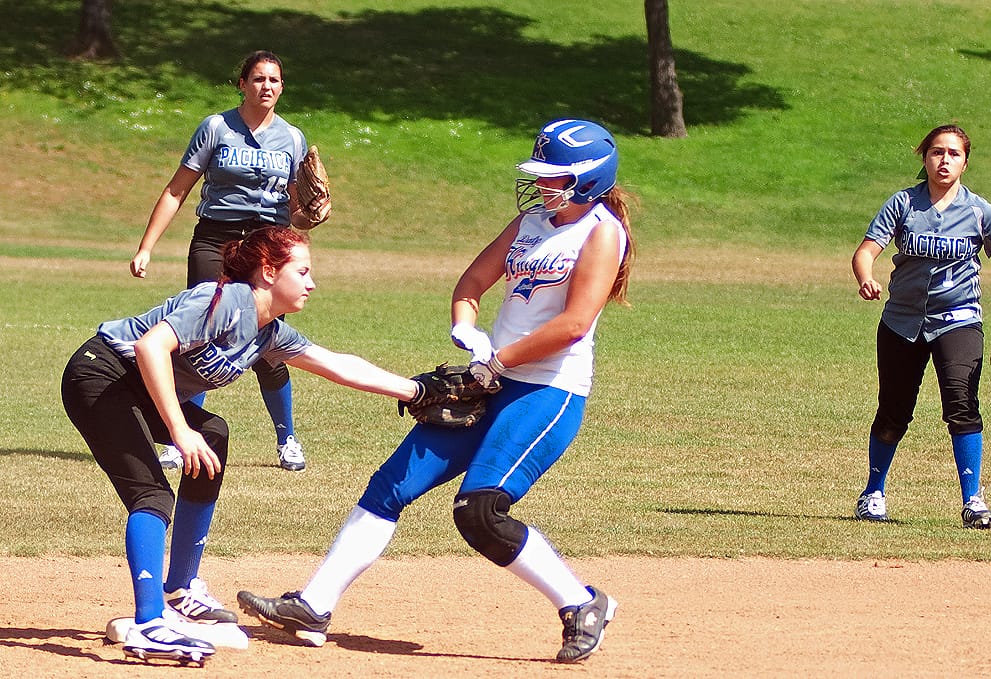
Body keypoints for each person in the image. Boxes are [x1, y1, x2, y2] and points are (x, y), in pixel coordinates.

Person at [237, 119, 636, 663]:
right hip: (491, 378)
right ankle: (314, 605)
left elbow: (572, 324)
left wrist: (497, 361)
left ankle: (582, 603)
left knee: (480, 511)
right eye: (540, 172)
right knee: (390, 484)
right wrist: (467, 327)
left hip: (548, 391)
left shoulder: (601, 231)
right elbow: (471, 283)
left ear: (589, 179)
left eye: (555, 175)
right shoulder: (531, 222)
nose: (543, 183)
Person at [62, 227, 432, 662]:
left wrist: (415, 391)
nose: (312, 283)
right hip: (101, 377)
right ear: (270, 272)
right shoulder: (222, 301)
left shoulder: (267, 331)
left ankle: (180, 588)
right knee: (153, 494)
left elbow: (334, 364)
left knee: (214, 435)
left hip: (134, 387)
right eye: (303, 271)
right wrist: (179, 430)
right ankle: (149, 624)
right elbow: (151, 347)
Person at [130, 50, 327, 472]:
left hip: (265, 248)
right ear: (242, 84)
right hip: (216, 240)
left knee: (267, 345)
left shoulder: (291, 138)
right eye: (258, 79)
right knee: (193, 336)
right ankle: (176, 433)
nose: (267, 86)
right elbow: (176, 191)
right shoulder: (216, 128)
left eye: (274, 80)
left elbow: (294, 211)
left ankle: (286, 437)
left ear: (282, 87)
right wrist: (147, 246)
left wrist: (312, 214)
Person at [851, 124, 991, 529]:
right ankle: (873, 493)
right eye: (936, 152)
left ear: (965, 162)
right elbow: (866, 251)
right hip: (902, 321)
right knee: (894, 411)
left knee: (962, 404)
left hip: (960, 320)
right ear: (924, 158)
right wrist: (866, 276)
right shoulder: (903, 204)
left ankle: (973, 501)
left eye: (953, 153)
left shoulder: (979, 211)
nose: (944, 160)